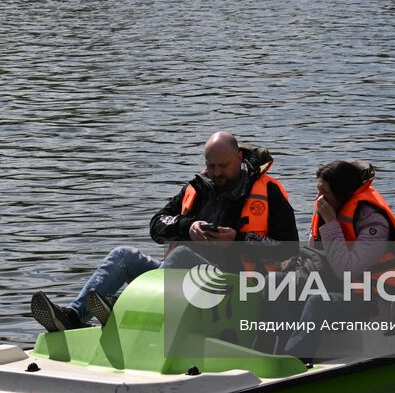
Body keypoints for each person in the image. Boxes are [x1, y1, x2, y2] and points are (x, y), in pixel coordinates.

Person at [29, 131, 298, 332]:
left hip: (239, 289)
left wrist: (236, 240)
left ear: (239, 158)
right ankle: (73, 318)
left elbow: (289, 254)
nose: (216, 173)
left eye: (223, 166)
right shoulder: (197, 188)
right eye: (210, 165)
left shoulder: (269, 193)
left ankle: (121, 307)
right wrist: (187, 227)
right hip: (180, 277)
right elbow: (157, 225)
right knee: (123, 255)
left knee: (181, 257)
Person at [285, 161, 395, 357]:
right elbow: (317, 256)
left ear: (341, 193)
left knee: (319, 301)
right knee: (278, 282)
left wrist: (331, 223)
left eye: (324, 193)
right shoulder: (330, 210)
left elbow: (347, 269)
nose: (319, 199)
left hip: (374, 299)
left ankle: (295, 359)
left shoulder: (374, 222)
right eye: (318, 192)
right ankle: (266, 348)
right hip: (339, 286)